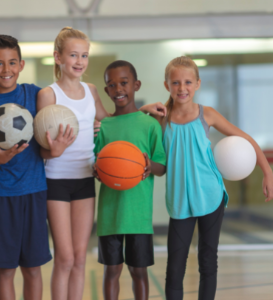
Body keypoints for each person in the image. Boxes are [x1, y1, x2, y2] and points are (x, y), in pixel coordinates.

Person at [36, 28, 166, 300]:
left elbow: (113, 119)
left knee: (81, 258)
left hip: (86, 179)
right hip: (56, 181)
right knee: (65, 257)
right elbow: (41, 149)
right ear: (58, 57)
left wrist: (142, 111)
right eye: (73, 54)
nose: (80, 60)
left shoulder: (91, 90)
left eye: (84, 55)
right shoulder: (48, 94)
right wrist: (55, 150)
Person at [160, 56, 273, 300]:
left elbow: (247, 140)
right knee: (175, 267)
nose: (182, 88)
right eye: (176, 82)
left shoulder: (207, 114)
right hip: (180, 201)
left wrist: (267, 172)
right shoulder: (161, 118)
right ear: (166, 85)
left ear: (198, 84)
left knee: (208, 261)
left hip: (211, 196)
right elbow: (160, 163)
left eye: (188, 82)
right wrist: (145, 109)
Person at [0, 35, 51, 300]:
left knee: (32, 267)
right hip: (1, 194)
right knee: (5, 269)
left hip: (34, 191)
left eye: (12, 63)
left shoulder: (35, 93)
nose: (6, 70)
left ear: (21, 65)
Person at [93, 60, 166, 300]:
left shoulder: (150, 125)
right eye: (111, 85)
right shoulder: (103, 127)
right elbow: (98, 164)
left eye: (124, 83)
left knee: (139, 271)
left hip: (139, 215)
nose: (118, 89)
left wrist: (147, 166)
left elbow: (161, 167)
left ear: (136, 85)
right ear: (106, 91)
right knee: (111, 270)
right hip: (109, 214)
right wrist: (97, 170)